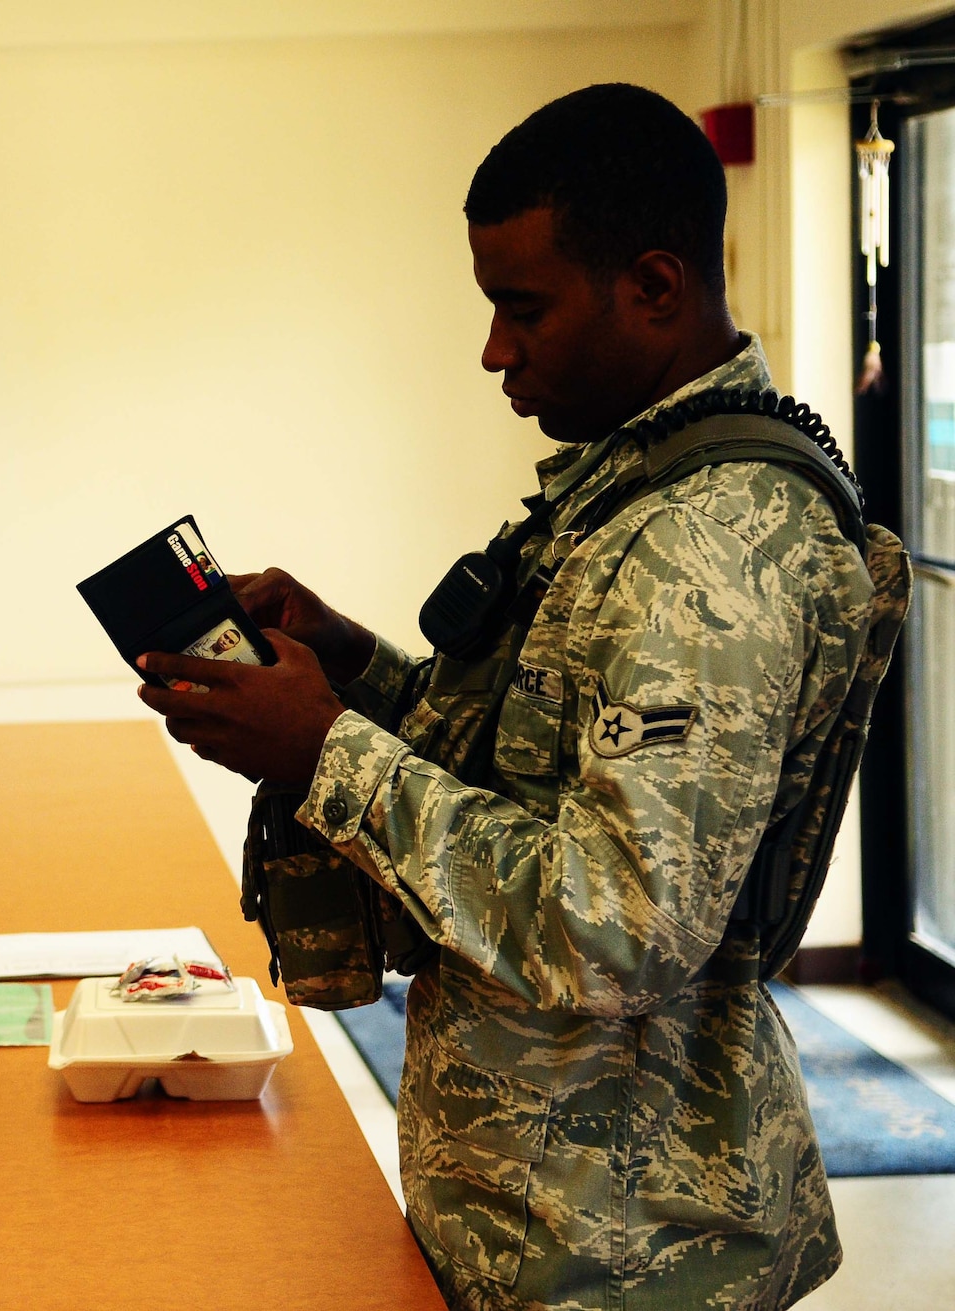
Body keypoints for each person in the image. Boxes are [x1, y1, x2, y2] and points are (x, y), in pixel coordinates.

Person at [136, 86, 908, 1310]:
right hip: (547, 1216)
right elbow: (532, 776)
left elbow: (617, 928)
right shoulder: (630, 486)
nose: (494, 351)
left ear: (652, 287)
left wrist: (326, 752)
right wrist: (354, 669)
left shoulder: (705, 545)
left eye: (522, 309)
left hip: (631, 1248)